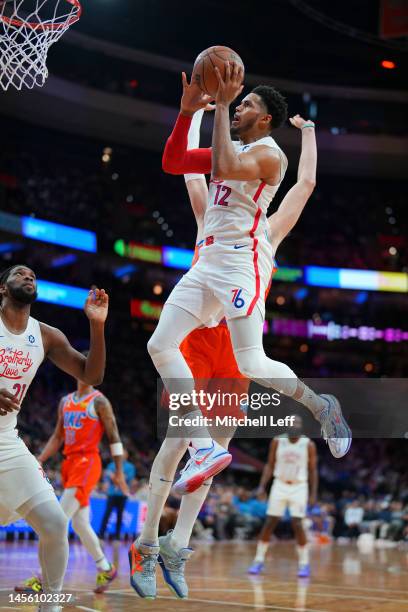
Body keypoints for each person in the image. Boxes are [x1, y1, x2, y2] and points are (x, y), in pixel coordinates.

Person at [129, 73, 329, 598]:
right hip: (201, 332)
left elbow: (303, 187)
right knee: (175, 450)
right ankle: (147, 546)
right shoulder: (213, 211)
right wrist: (193, 108)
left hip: (235, 336)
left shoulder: (269, 229)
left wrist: (307, 133)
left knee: (210, 460)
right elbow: (193, 174)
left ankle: (177, 546)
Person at [0, 265, 107, 612]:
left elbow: (92, 373)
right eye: (19, 274)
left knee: (55, 522)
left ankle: (50, 606)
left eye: (33, 274)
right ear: (3, 288)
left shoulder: (45, 336)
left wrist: (96, 324)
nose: (29, 277)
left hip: (6, 441)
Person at [17, 371, 129, 594]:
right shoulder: (65, 401)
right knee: (79, 524)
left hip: (88, 463)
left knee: (55, 521)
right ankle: (105, 568)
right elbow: (58, 436)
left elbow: (114, 437)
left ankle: (43, 578)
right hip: (69, 463)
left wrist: (119, 471)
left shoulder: (99, 401)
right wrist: (40, 459)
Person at [248, 418, 318, 578]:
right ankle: (258, 560)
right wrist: (261, 485)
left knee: (298, 524)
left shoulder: (308, 444)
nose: (294, 426)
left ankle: (304, 563)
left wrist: (314, 494)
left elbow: (313, 470)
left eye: (297, 423)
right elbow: (270, 464)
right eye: (291, 423)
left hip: (299, 485)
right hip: (279, 484)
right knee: (270, 522)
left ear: (302, 427)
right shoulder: (277, 441)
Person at [99, 449, 136, 541]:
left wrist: (114, 477)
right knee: (107, 514)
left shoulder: (130, 467)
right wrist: (119, 478)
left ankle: (117, 536)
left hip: (122, 494)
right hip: (111, 494)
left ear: (126, 455)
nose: (121, 455)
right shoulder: (111, 465)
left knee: (120, 515)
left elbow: (127, 478)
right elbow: (107, 479)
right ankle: (101, 535)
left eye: (123, 453)